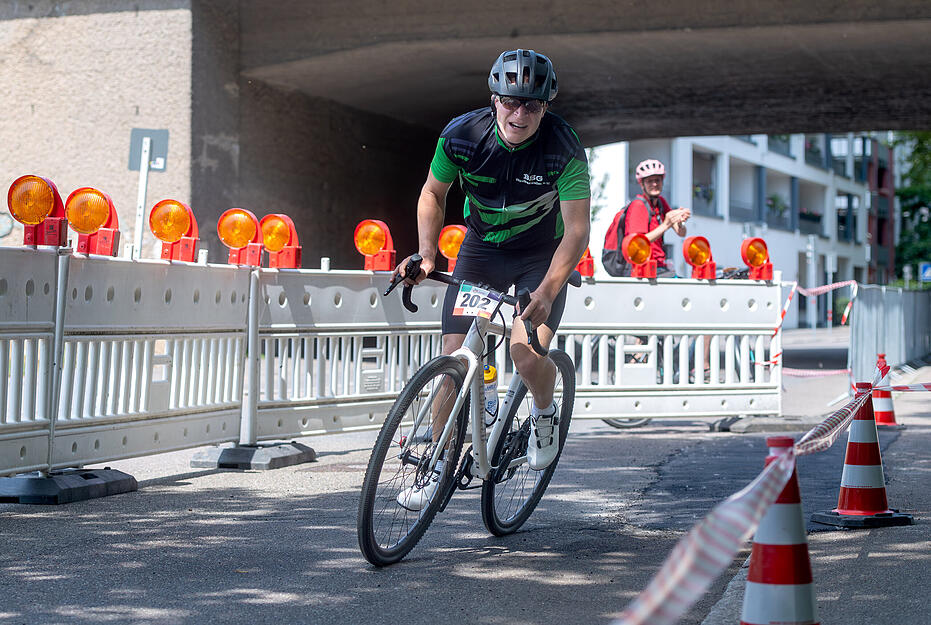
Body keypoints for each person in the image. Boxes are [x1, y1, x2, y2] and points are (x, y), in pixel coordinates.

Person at [393, 49, 591, 510]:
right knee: (454, 360)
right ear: (493, 98)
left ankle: (543, 412)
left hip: (540, 257)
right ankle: (434, 468)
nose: (519, 114)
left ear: (547, 106)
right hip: (481, 250)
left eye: (533, 106)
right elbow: (432, 192)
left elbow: (577, 231)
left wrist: (546, 292)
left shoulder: (563, 147)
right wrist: (424, 253)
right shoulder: (461, 135)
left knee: (524, 354)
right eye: (510, 102)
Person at [603, 158, 690, 277]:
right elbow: (637, 243)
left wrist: (680, 221)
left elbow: (681, 233)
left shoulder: (660, 203)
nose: (654, 184)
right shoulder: (638, 205)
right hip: (642, 268)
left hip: (659, 266)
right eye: (650, 181)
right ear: (642, 184)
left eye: (657, 180)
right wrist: (666, 225)